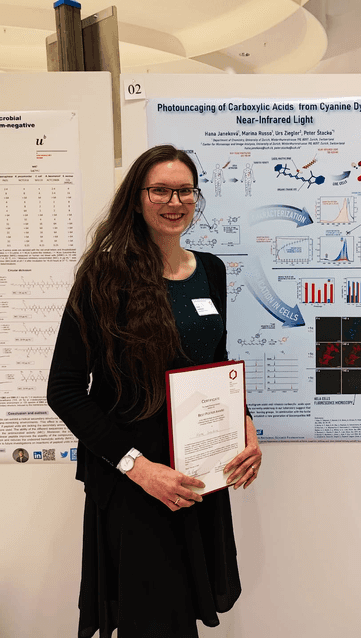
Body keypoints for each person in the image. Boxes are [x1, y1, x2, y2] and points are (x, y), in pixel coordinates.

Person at [47, 144, 262, 638]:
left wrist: (246, 426)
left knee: (180, 610)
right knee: (150, 617)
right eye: (160, 190)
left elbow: (215, 362)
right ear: (137, 198)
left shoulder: (211, 270)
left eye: (185, 191)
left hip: (198, 471)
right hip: (135, 479)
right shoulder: (104, 276)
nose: (174, 202)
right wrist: (139, 470)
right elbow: (64, 390)